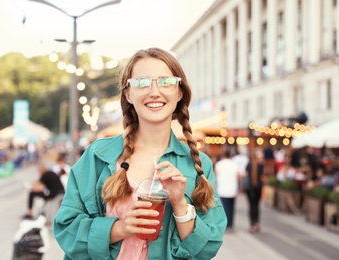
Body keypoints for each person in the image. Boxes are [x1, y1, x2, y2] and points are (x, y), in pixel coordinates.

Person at [53, 48, 227, 260]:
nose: (154, 92)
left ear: (179, 92)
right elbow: (66, 228)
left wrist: (180, 203)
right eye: (142, 83)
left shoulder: (199, 165)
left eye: (165, 82)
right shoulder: (98, 156)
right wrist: (121, 228)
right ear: (128, 93)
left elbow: (207, 247)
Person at [215, 150, 241, 233]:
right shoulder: (234, 164)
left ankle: (225, 224)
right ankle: (230, 225)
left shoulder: (219, 164)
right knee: (231, 208)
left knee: (224, 207)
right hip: (232, 189)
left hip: (222, 189)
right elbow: (239, 176)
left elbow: (215, 176)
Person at [244, 149, 264, 233]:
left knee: (252, 206)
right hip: (257, 187)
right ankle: (256, 223)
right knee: (256, 206)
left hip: (250, 188)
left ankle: (253, 224)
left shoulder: (249, 165)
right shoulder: (260, 165)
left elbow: (245, 174)